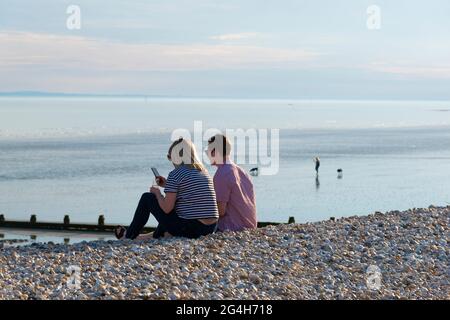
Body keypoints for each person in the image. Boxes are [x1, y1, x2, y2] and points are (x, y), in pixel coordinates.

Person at [115, 138, 219, 240]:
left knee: (147, 198)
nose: (170, 160)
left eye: (170, 157)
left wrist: (157, 194)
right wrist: (167, 185)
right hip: (210, 228)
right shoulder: (204, 172)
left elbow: (166, 208)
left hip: (192, 229)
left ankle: (129, 236)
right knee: (176, 207)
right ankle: (153, 236)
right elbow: (189, 192)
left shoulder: (176, 174)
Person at [206, 134, 257, 232]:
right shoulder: (242, 172)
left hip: (231, 228)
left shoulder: (222, 174)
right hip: (250, 226)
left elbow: (220, 211)